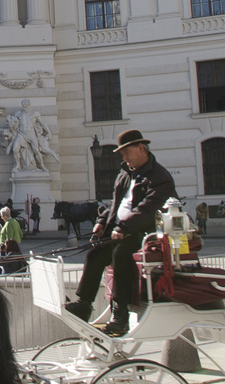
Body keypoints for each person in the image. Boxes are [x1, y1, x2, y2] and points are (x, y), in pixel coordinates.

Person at [68, 129, 178, 336]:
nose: (124, 157)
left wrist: (124, 227)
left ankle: (120, 314)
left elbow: (148, 209)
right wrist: (102, 221)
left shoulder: (160, 177)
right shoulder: (125, 173)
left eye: (126, 152)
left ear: (141, 148)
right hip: (121, 231)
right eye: (122, 154)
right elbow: (116, 205)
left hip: (143, 234)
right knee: (95, 254)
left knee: (121, 254)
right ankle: (84, 304)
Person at [0, 205, 24, 272]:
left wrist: (5, 249)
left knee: (7, 267)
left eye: (1, 216)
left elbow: (9, 239)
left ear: (4, 216)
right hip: (17, 245)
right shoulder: (15, 221)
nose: (1, 218)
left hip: (10, 249)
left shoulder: (8, 224)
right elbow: (21, 234)